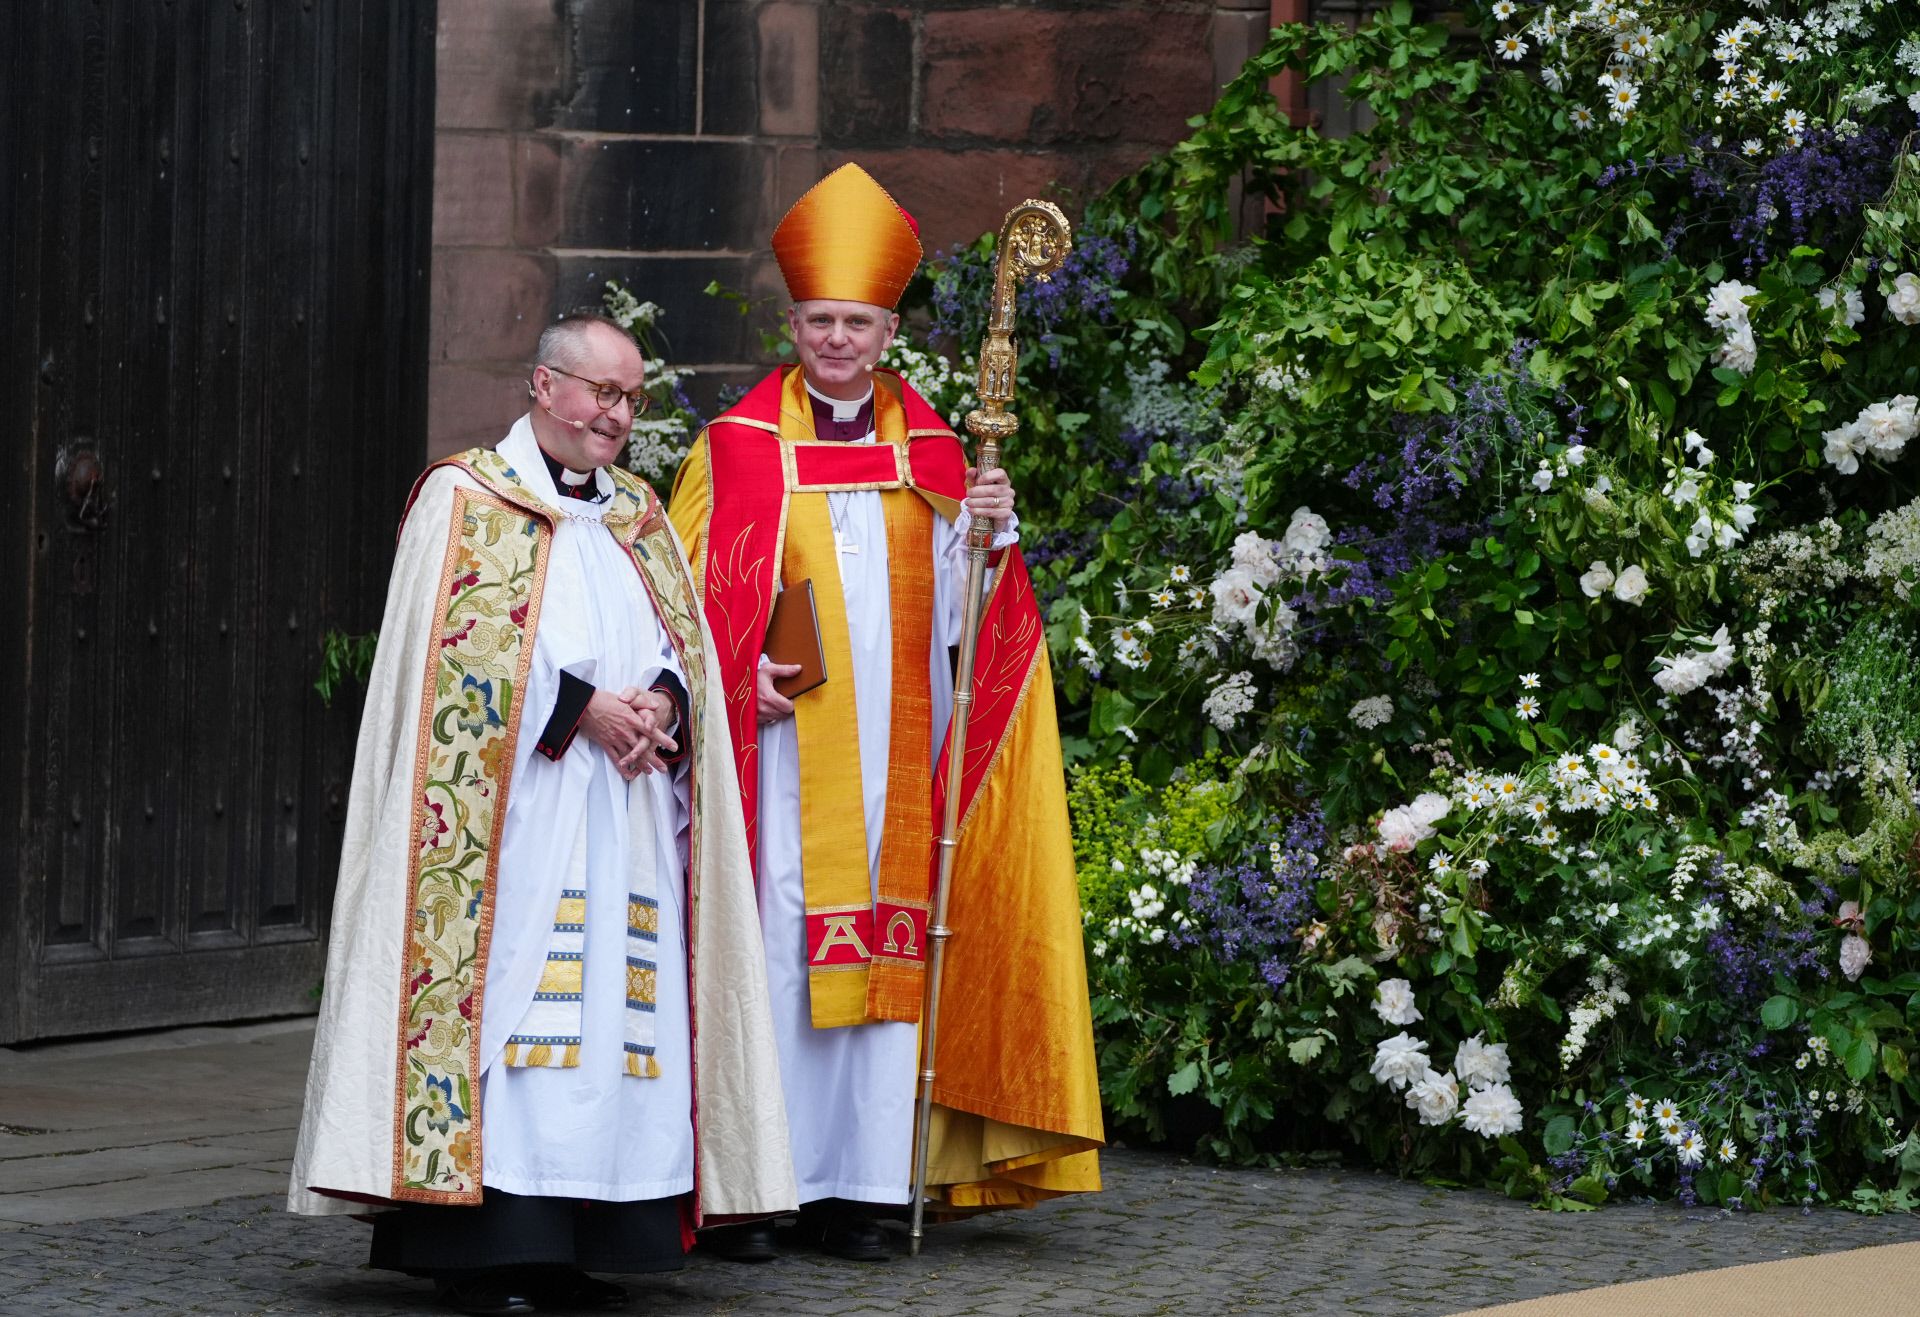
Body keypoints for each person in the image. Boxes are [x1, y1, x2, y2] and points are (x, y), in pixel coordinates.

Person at [288, 312, 794, 1315]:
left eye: (631, 399)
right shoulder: (464, 499)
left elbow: (678, 644)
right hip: (512, 830)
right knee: (522, 1022)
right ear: (542, 385)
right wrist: (579, 709)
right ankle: (489, 1250)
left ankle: (583, 1242)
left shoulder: (641, 515)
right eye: (600, 393)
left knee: (611, 1021)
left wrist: (663, 703)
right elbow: (447, 664)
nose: (616, 415)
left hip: (630, 819)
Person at [668, 164, 1103, 1263]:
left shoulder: (948, 456)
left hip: (900, 763)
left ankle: (863, 1187)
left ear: (889, 327)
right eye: (819, 320)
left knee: (890, 961)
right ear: (796, 321)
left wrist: (988, 537)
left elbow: (976, 625)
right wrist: (728, 680)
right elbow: (666, 601)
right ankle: (754, 1187)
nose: (836, 341)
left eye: (856, 322)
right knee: (772, 961)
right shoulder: (735, 450)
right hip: (775, 758)